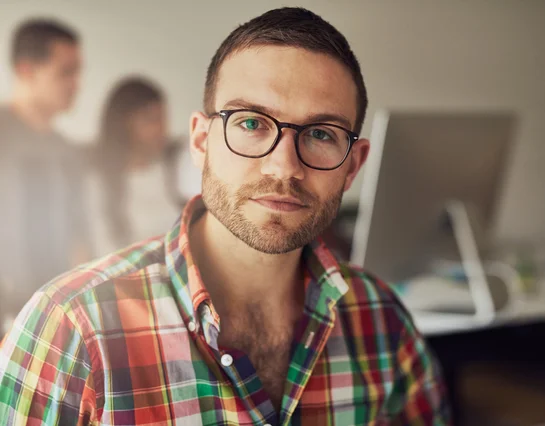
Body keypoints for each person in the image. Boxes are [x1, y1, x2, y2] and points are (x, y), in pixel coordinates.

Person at [0, 8, 451, 425]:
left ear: (353, 165)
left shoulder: (383, 320)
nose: (283, 167)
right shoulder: (72, 327)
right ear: (200, 142)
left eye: (320, 133)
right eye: (252, 123)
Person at [0, 19, 87, 335]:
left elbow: (79, 236)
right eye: (66, 72)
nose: (76, 84)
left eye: (78, 73)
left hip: (53, 320)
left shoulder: (67, 151)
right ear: (26, 70)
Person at [87, 77, 189, 257]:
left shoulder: (177, 166)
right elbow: (104, 251)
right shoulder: (100, 185)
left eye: (163, 118)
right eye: (151, 120)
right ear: (124, 124)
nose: (161, 128)